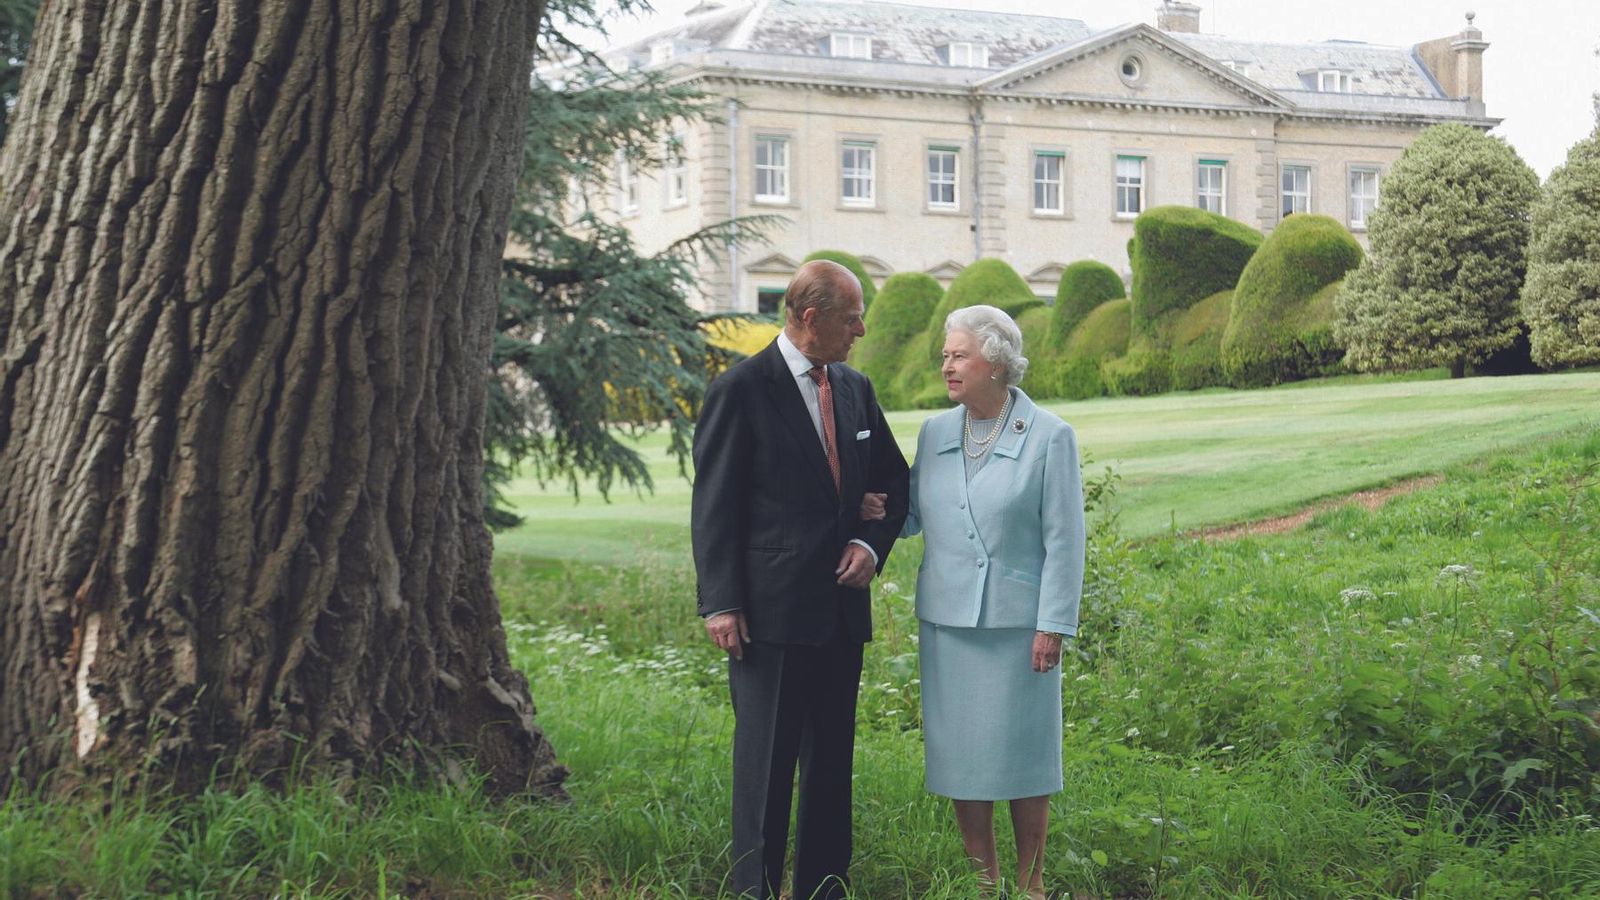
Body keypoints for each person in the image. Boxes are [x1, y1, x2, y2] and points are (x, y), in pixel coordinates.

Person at [691, 259, 911, 900]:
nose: (861, 330)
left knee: (831, 769)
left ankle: (824, 890)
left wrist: (869, 542)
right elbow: (715, 507)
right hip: (768, 618)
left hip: (840, 614)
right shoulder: (740, 390)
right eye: (852, 318)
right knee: (764, 771)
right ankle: (753, 892)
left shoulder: (855, 387)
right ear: (811, 318)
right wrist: (721, 603)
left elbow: (892, 481)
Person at [869, 303, 1084, 899]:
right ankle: (982, 884)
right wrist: (871, 508)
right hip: (948, 624)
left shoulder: (1050, 436)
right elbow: (912, 515)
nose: (947, 365)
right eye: (945, 356)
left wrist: (1053, 625)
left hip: (1020, 629)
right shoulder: (936, 432)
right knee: (963, 758)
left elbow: (1065, 539)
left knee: (1026, 757)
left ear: (995, 362)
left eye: (958, 355)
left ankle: (1032, 883)